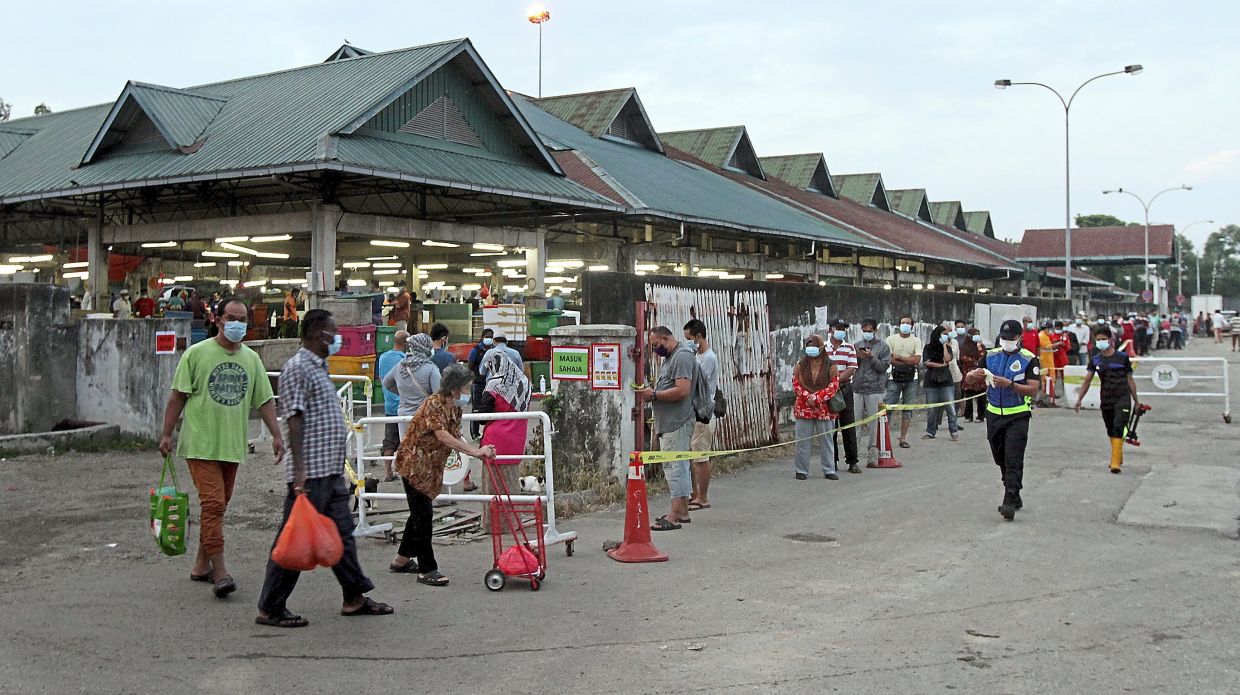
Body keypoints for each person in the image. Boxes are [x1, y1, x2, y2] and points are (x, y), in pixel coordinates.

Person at [257, 309, 393, 628]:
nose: (339, 339)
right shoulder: (298, 368)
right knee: (294, 539)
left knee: (343, 535)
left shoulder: (319, 367)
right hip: (311, 473)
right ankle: (271, 606)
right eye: (335, 333)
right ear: (321, 335)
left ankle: (354, 596)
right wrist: (300, 473)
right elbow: (294, 418)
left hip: (331, 470)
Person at [159, 297, 284, 599]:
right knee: (213, 505)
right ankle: (220, 572)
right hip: (200, 444)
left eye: (243, 319)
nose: (237, 324)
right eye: (232, 317)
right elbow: (178, 396)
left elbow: (264, 401)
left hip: (232, 445)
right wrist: (166, 434)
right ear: (218, 319)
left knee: (217, 507)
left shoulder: (251, 359)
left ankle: (201, 565)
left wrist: (277, 436)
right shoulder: (197, 354)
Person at [389, 363, 496, 586]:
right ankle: (427, 569)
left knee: (418, 513)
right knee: (423, 515)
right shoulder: (434, 404)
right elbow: (443, 436)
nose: (468, 392)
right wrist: (476, 452)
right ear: (455, 388)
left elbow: (456, 436)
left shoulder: (454, 408)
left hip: (429, 467)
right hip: (414, 464)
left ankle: (401, 560)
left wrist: (480, 450)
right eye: (466, 388)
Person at [966, 319, 1041, 521]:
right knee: (1000, 458)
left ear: (1020, 337)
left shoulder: (1029, 359)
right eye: (1004, 337)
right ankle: (1014, 492)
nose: (1007, 341)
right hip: (994, 414)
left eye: (1011, 338)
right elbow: (970, 379)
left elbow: (1034, 389)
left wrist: (1010, 385)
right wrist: (973, 375)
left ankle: (1009, 501)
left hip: (1017, 415)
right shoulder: (991, 356)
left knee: (1013, 458)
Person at [635, 326, 697, 531]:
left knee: (674, 468)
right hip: (670, 421)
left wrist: (654, 395)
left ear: (665, 338)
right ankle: (683, 512)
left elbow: (682, 390)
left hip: (677, 421)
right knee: (678, 466)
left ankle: (674, 516)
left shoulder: (681, 357)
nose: (654, 350)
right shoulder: (672, 357)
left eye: (655, 345)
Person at [475, 350, 532, 531]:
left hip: (495, 439)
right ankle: (512, 523)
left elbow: (483, 417)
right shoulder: (523, 382)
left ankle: (494, 525)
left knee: (492, 485)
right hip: (516, 438)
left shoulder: (494, 384)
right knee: (511, 483)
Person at [1073, 326, 1139, 474]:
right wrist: (1079, 399)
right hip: (1106, 399)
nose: (1101, 342)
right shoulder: (1096, 360)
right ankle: (1118, 454)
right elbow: (1087, 381)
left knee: (1118, 426)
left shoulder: (1122, 358)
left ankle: (1115, 463)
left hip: (1122, 398)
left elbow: (1130, 380)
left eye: (1104, 339)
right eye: (1098, 340)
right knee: (1110, 429)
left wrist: (1136, 401)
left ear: (1110, 340)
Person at [792, 334, 841, 480]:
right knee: (802, 439)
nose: (811, 350)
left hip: (824, 408)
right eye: (809, 347)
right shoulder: (801, 365)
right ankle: (801, 470)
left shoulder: (830, 365)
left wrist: (818, 397)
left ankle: (829, 470)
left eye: (814, 347)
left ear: (821, 348)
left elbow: (834, 385)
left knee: (826, 440)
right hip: (804, 406)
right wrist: (808, 396)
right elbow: (796, 383)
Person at [683, 319, 720, 508]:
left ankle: (703, 496)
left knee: (701, 457)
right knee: (693, 456)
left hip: (702, 414)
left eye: (689, 339)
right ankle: (695, 492)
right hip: (692, 413)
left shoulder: (709, 358)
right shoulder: (697, 356)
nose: (688, 342)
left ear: (698, 337)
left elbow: (695, 382)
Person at [383, 334, 441, 445]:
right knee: (424, 450)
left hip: (404, 415)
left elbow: (386, 383)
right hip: (425, 416)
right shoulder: (431, 368)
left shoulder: (400, 365)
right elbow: (438, 396)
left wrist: (402, 393)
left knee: (407, 449)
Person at [853, 318, 890, 468]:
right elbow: (851, 365)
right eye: (864, 331)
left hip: (875, 388)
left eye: (869, 331)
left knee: (873, 424)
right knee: (856, 423)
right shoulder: (856, 346)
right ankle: (853, 455)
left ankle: (872, 456)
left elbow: (884, 367)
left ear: (875, 331)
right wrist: (858, 357)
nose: (867, 333)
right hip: (858, 388)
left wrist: (871, 357)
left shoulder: (883, 347)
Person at [825, 318, 860, 474]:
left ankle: (852, 461)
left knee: (848, 425)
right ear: (830, 329)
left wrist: (837, 380)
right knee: (830, 427)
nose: (840, 330)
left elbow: (851, 368)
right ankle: (832, 461)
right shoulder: (822, 348)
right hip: (827, 390)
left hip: (844, 389)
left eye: (843, 328)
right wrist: (830, 384)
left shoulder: (849, 348)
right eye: (837, 327)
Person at [884, 315, 922, 449]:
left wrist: (899, 357)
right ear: (899, 324)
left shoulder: (916, 341)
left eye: (908, 323)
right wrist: (908, 359)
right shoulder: (891, 339)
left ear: (912, 326)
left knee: (908, 409)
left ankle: (903, 438)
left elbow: (917, 360)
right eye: (903, 322)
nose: (905, 325)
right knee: (888, 407)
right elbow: (888, 358)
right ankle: (884, 438)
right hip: (894, 378)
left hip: (912, 378)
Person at [376, 330, 410, 481]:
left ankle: (388, 472)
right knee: (408, 440)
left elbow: (381, 377)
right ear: (406, 343)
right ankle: (407, 471)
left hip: (389, 405)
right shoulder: (405, 359)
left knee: (389, 441)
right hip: (405, 406)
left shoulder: (383, 357)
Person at [921, 326, 960, 441]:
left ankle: (954, 431)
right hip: (931, 381)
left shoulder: (948, 347)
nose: (945, 336)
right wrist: (940, 365)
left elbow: (947, 359)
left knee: (950, 407)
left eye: (946, 334)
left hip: (946, 380)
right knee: (932, 408)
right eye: (943, 334)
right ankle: (931, 431)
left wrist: (944, 345)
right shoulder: (928, 347)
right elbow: (927, 363)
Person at [466, 329, 496, 439]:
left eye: (491, 337)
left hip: (490, 384)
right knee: (476, 408)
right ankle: (474, 433)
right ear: (483, 337)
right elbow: (469, 366)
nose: (489, 339)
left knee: (489, 407)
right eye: (487, 336)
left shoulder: (493, 350)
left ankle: (488, 433)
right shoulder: (475, 350)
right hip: (478, 384)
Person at [959, 328, 987, 423]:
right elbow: (964, 359)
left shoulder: (981, 346)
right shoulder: (964, 347)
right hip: (969, 374)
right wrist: (976, 362)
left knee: (981, 397)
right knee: (969, 396)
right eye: (975, 334)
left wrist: (979, 348)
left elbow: (983, 358)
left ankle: (981, 415)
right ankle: (968, 416)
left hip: (980, 375)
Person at [1036, 320, 1059, 407]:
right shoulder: (1042, 336)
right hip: (1045, 361)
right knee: (1045, 380)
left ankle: (1048, 397)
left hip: (1048, 360)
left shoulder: (1045, 336)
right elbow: (1047, 346)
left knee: (1048, 379)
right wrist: (1057, 344)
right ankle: (1044, 398)